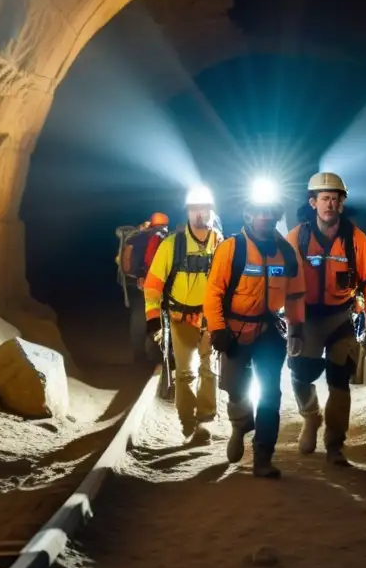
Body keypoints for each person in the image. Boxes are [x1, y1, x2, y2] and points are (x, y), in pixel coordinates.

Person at [204, 178, 306, 478]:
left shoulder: (286, 252)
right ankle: (240, 424)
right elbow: (213, 292)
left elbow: (296, 294)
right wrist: (218, 329)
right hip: (234, 330)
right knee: (234, 389)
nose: (266, 217)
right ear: (248, 215)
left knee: (270, 394)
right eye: (260, 212)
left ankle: (263, 456)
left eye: (271, 212)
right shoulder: (231, 248)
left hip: (269, 332)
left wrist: (297, 328)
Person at [286, 171, 366, 466]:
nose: (330, 204)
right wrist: (291, 325)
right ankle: (310, 416)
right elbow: (284, 283)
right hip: (307, 318)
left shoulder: (355, 239)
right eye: (324, 199)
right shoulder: (298, 238)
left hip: (341, 317)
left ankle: (334, 445)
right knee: (300, 373)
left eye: (335, 199)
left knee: (339, 381)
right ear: (313, 203)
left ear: (342, 203)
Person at [142, 186, 223, 442]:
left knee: (210, 371)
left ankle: (205, 421)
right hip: (180, 319)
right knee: (186, 374)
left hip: (210, 318)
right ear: (188, 212)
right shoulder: (171, 245)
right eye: (196, 208)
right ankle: (188, 423)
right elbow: (153, 286)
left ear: (212, 210)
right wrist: (153, 319)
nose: (201, 213)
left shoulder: (219, 243)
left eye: (205, 208)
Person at [116, 212, 171, 364]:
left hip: (132, 282)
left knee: (137, 316)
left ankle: (138, 353)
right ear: (165, 224)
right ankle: (155, 354)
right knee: (153, 316)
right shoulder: (160, 238)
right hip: (149, 282)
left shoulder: (135, 237)